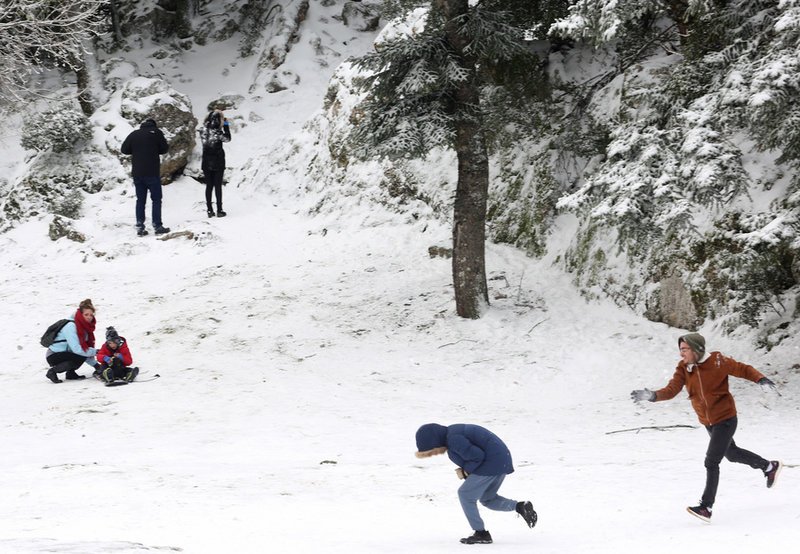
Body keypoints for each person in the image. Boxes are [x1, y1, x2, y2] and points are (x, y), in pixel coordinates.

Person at [631, 333, 782, 522]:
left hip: (726, 418)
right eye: (680, 350)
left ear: (696, 349)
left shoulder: (718, 361)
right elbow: (672, 390)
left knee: (711, 462)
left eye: (685, 350)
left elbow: (743, 369)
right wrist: (652, 395)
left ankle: (706, 507)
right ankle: (769, 466)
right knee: (732, 454)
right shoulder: (684, 368)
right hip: (708, 422)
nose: (681, 354)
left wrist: (762, 380)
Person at [415, 423, 537, 544]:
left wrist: (465, 471)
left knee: (465, 494)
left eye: (432, 449)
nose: (434, 452)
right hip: (501, 460)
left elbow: (477, 456)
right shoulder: (452, 435)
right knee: (488, 499)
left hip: (492, 462)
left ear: (434, 440)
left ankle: (481, 533)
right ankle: (521, 507)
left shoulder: (454, 439)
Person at [120, 118, 170, 236]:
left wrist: (137, 150)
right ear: (154, 125)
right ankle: (157, 225)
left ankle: (140, 226)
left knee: (140, 200)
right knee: (156, 199)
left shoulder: (134, 134)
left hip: (138, 173)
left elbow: (124, 150)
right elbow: (164, 149)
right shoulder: (156, 133)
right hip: (152, 172)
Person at [45, 299, 100, 383]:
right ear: (80, 314)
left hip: (66, 354)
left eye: (91, 315)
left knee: (81, 355)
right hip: (54, 355)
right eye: (86, 314)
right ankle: (52, 371)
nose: (89, 317)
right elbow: (78, 349)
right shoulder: (71, 326)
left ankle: (70, 373)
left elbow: (84, 349)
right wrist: (96, 353)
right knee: (79, 355)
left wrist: (96, 366)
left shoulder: (83, 328)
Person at [200, 109, 232, 218]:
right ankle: (219, 210)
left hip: (206, 163)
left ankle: (209, 210)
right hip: (218, 162)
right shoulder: (218, 133)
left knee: (209, 186)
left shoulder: (202, 131)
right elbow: (228, 138)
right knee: (218, 186)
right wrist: (226, 125)